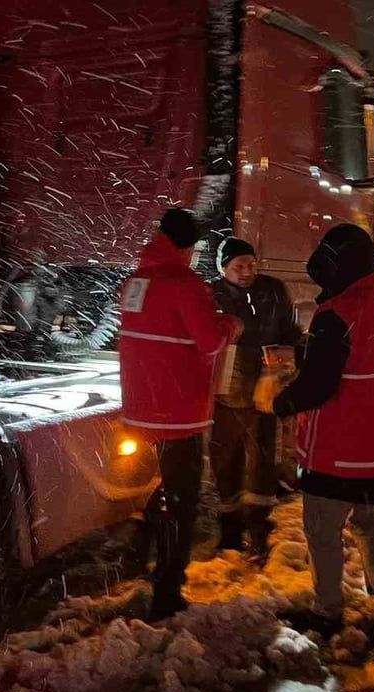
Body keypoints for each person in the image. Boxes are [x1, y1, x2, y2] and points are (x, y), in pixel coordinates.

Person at [261, 223, 374, 655]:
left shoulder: (338, 315)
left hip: (339, 451)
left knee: (322, 532)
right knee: (369, 523)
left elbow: (319, 386)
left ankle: (328, 612)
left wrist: (280, 402)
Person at [119, 208, 243, 621]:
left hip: (143, 405)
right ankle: (168, 593)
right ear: (189, 247)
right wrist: (230, 325)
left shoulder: (136, 280)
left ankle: (142, 547)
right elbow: (209, 343)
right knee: (183, 499)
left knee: (168, 488)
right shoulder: (186, 285)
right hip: (179, 411)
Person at [208, 238, 302, 559]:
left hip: (265, 396)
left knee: (263, 464)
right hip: (225, 398)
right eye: (238, 267)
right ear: (223, 268)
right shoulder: (211, 295)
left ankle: (259, 532)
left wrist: (284, 366)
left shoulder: (273, 290)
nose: (247, 272)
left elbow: (291, 334)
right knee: (225, 463)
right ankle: (230, 533)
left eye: (251, 265)